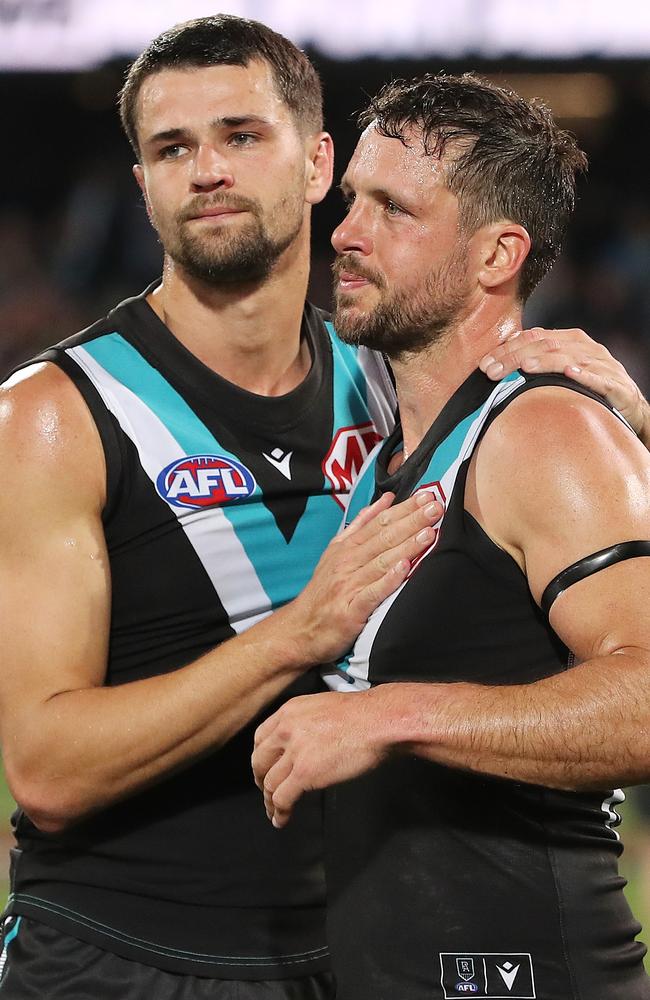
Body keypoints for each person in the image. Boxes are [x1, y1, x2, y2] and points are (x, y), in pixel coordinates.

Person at [0, 16, 447, 999]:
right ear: (143, 186)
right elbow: (48, 768)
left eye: (242, 135)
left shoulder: (396, 388)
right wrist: (301, 633)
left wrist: (608, 399)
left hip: (362, 943)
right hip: (122, 956)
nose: (206, 168)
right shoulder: (54, 415)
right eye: (172, 148)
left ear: (319, 162)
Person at [252, 73, 650, 999]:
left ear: (494, 255)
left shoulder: (544, 430)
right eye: (351, 199)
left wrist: (388, 718)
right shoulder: (396, 452)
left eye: (393, 208)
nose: (346, 233)